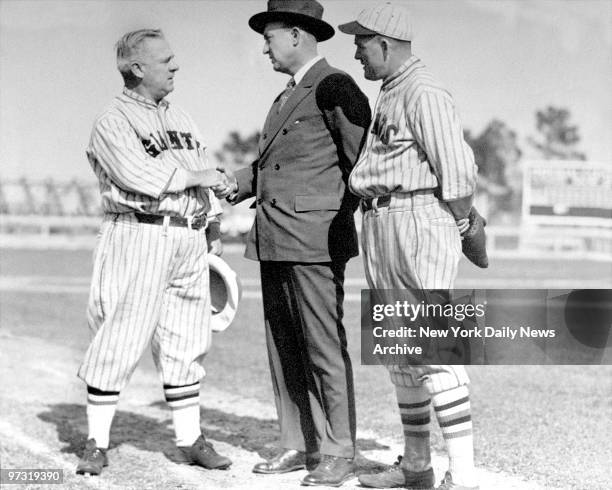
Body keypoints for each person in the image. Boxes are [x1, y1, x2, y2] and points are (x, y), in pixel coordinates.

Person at [216, 0, 370, 486]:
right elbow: (274, 166)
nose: (264, 48)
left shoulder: (335, 85)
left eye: (270, 37)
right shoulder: (287, 95)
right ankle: (297, 443)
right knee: (283, 345)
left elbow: (361, 163)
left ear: (299, 35)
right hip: (276, 236)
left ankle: (339, 449)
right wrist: (234, 182)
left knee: (322, 345)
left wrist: (332, 219)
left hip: (314, 242)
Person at [76, 28, 232, 476]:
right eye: (166, 60)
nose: (175, 67)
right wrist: (202, 176)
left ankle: (190, 437)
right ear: (137, 68)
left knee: (187, 338)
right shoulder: (112, 120)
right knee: (119, 333)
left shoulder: (182, 117)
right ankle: (96, 441)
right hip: (137, 232)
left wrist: (214, 223)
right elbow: (137, 174)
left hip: (187, 235)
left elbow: (204, 168)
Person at [338, 3, 479, 490]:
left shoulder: (423, 90)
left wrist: (460, 223)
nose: (355, 49)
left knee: (433, 349)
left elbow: (457, 171)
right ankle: (417, 468)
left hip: (416, 217)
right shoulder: (391, 92)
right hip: (381, 220)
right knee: (399, 349)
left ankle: (463, 476)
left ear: (386, 43)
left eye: (361, 41)